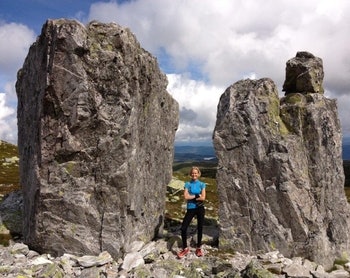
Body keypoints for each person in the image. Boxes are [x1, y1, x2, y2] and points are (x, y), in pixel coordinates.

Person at [177, 166, 206, 258]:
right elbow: (185, 197)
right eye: (193, 173)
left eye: (196, 173)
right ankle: (185, 248)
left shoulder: (202, 184)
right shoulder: (187, 184)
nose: (194, 174)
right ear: (191, 174)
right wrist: (196, 195)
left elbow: (203, 198)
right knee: (183, 228)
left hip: (200, 208)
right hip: (191, 208)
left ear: (198, 174)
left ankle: (198, 248)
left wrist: (192, 196)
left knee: (200, 227)